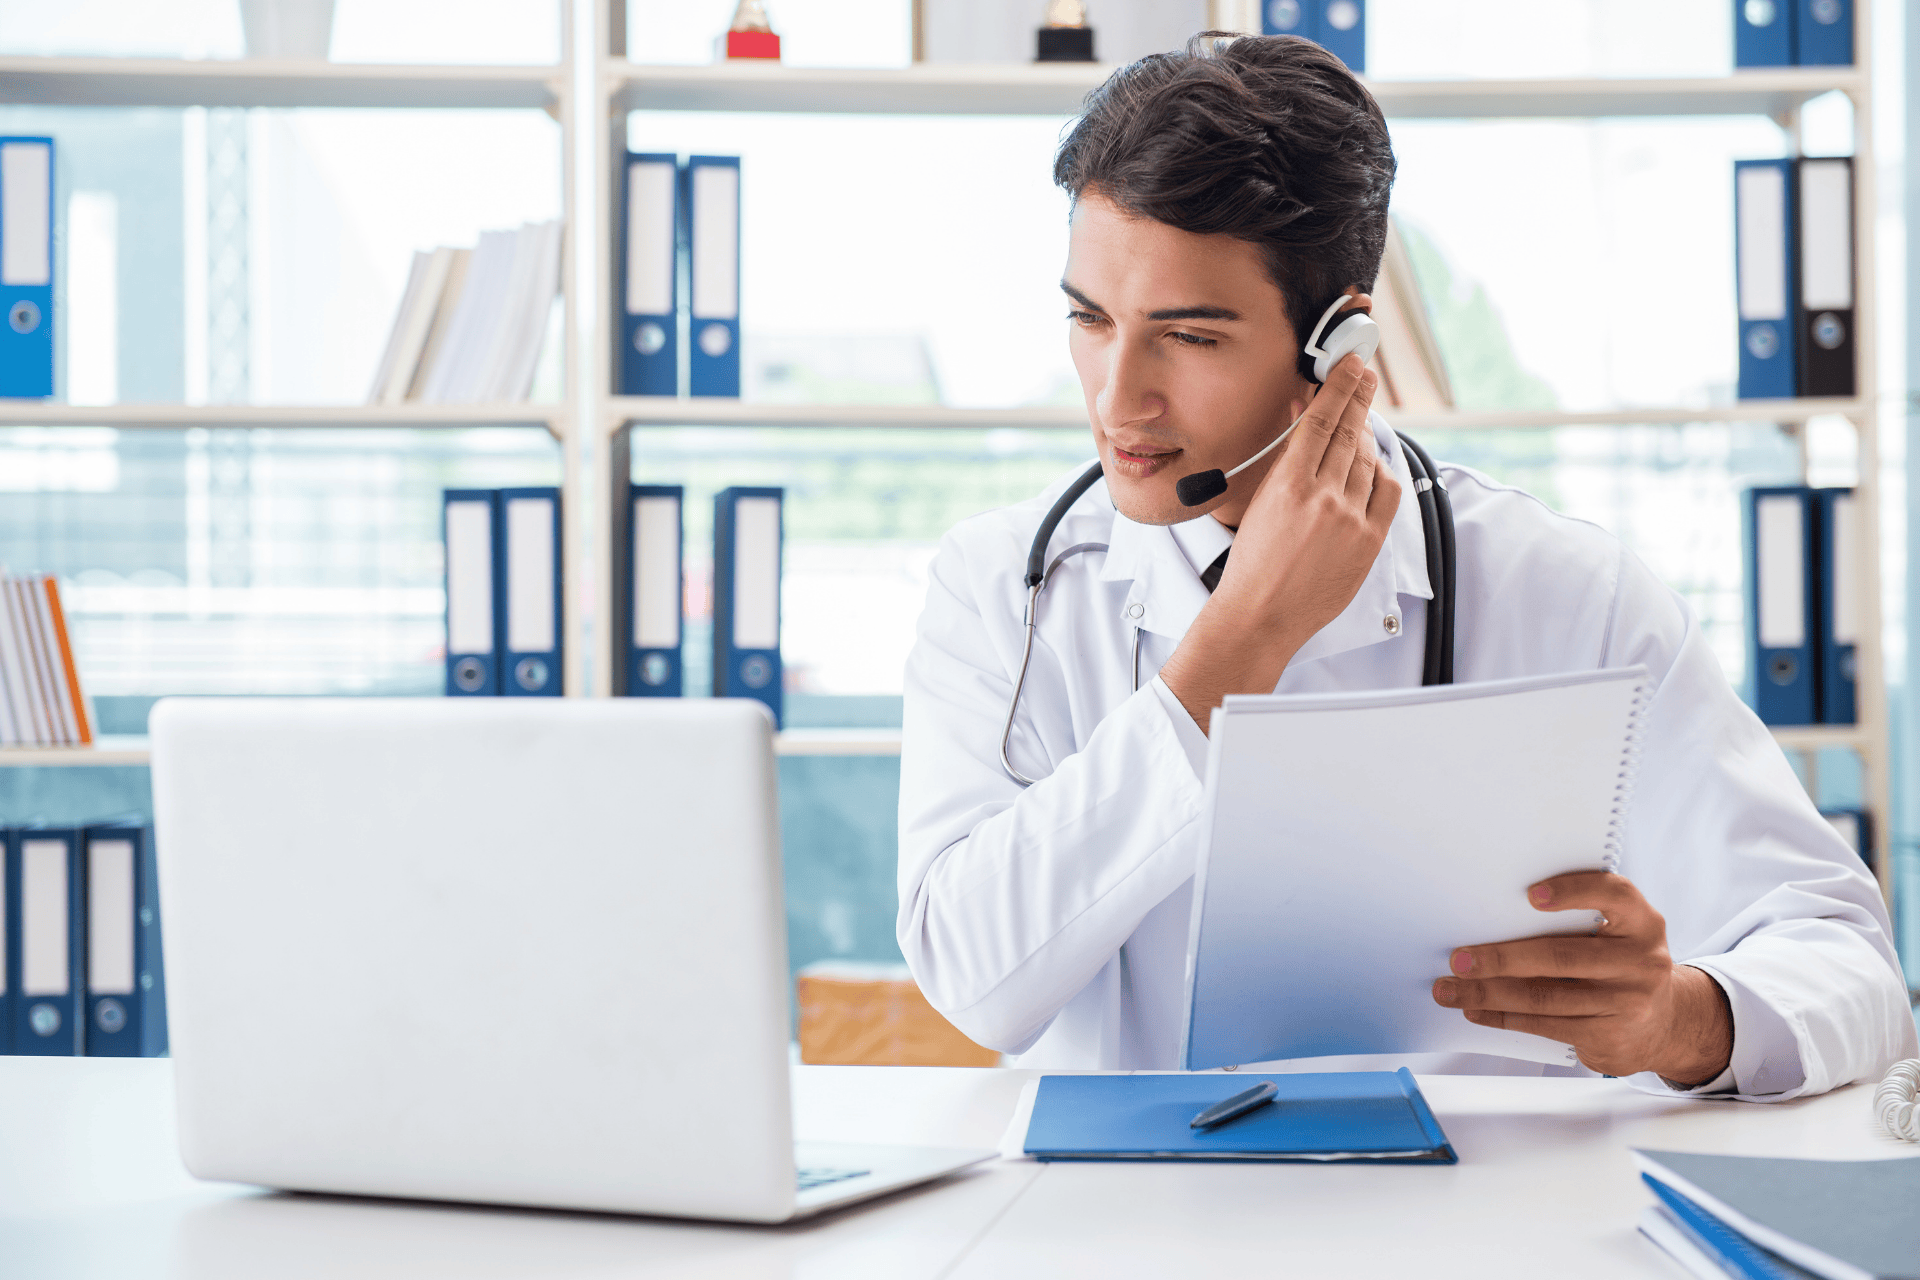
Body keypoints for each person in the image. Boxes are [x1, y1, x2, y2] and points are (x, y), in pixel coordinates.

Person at [895, 34, 1915, 1099]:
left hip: (1477, 1225)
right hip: (1120, 1228)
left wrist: (1682, 1017)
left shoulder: (1566, 591)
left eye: (1188, 337)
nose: (1117, 398)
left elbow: (1852, 966)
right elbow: (973, 978)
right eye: (1090, 319)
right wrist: (1236, 647)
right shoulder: (1008, 583)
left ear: (1338, 343)